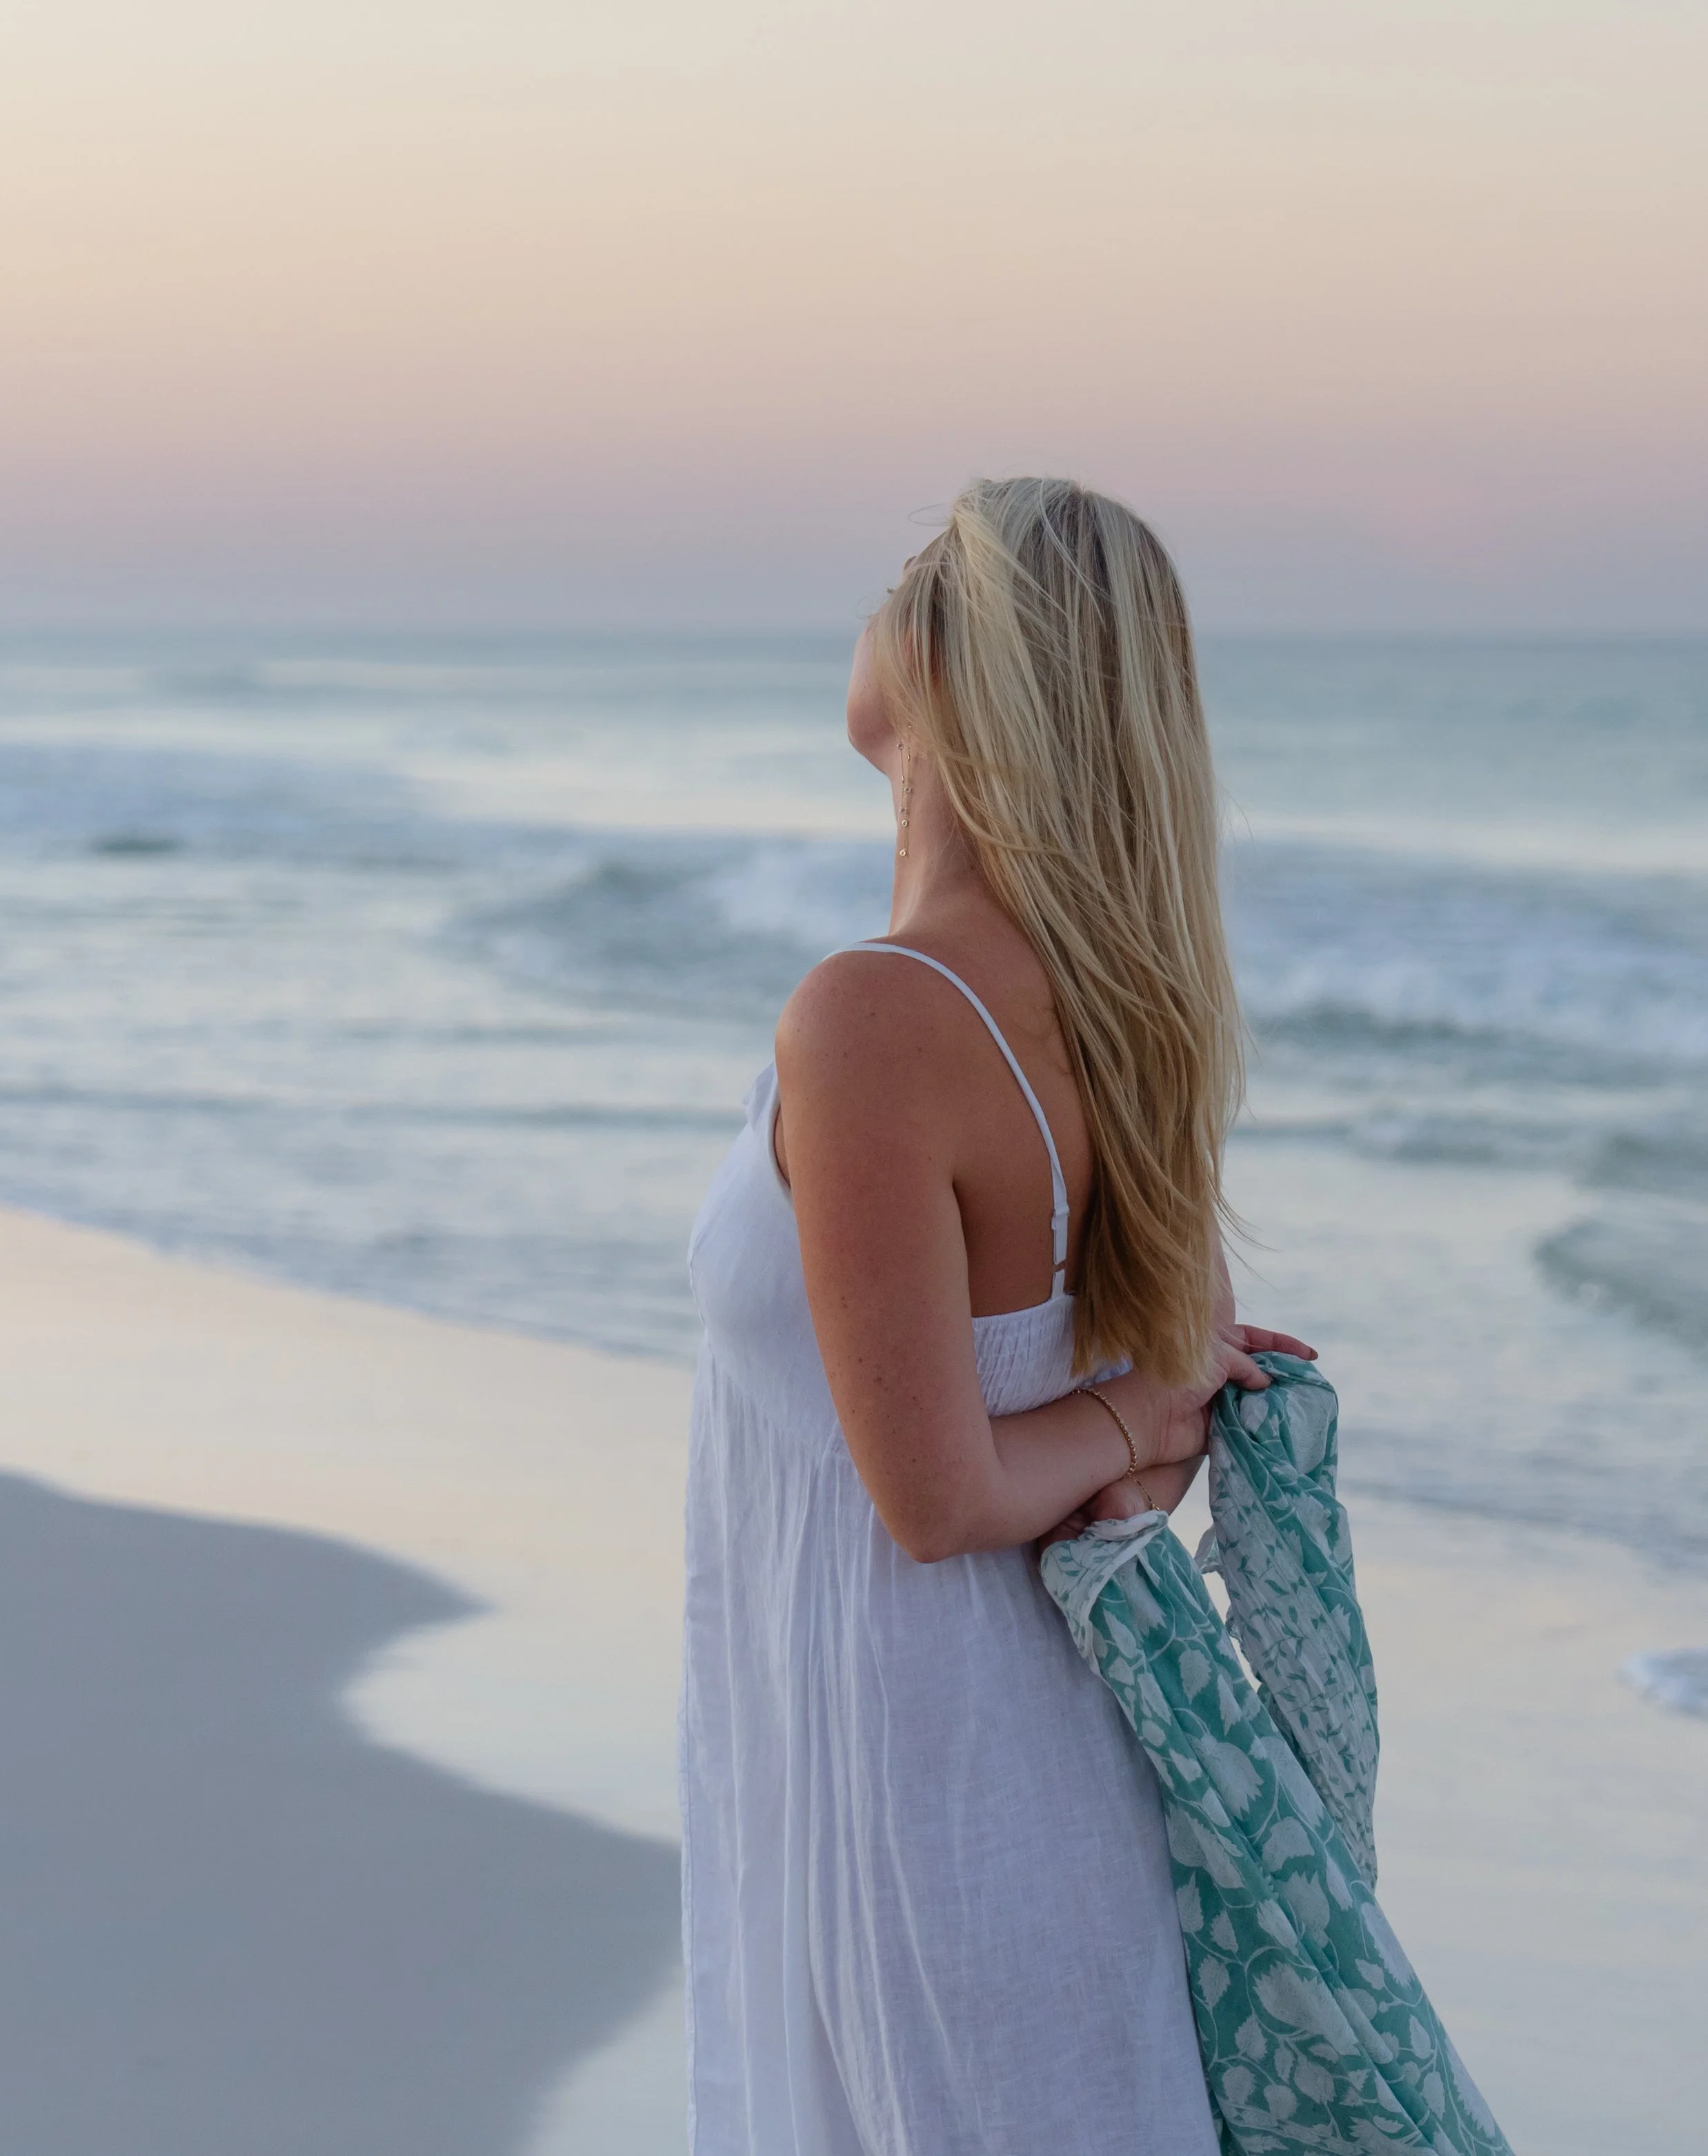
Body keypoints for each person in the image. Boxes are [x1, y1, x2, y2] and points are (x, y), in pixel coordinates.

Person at [682, 476, 1311, 2154]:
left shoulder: (879, 1015)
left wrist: (1134, 1412)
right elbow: (1132, 1445)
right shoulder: (1113, 1007)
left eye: (905, 578)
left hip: (921, 1797)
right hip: (1002, 1777)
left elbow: (942, 1492)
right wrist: (1144, 1410)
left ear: (962, 664)